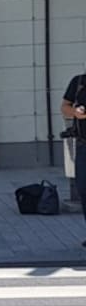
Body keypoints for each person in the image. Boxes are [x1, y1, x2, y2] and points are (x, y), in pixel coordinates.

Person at [62, 72, 86, 248]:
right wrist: (75, 113)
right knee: (83, 188)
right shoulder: (79, 82)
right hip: (83, 144)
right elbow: (64, 107)